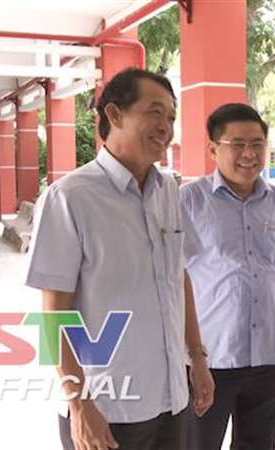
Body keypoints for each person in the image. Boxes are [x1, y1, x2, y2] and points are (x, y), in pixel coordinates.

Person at [26, 68, 214, 450]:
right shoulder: (70, 198)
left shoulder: (168, 191)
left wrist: (197, 358)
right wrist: (79, 405)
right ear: (114, 114)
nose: (166, 127)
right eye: (155, 112)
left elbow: (179, 279)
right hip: (106, 408)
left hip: (171, 400)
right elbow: (53, 315)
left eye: (172, 117)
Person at [181, 103, 275, 450]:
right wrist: (189, 353)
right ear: (213, 149)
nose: (249, 154)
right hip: (211, 357)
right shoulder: (189, 201)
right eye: (238, 144)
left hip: (266, 356)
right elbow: (173, 277)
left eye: (257, 144)